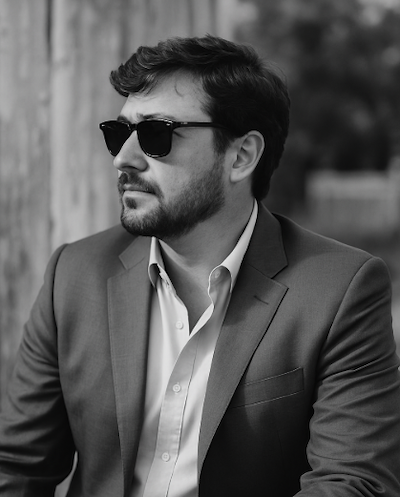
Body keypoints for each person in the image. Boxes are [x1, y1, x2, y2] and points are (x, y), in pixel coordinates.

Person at [0, 35, 399, 497]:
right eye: (118, 133)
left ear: (241, 156)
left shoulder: (339, 290)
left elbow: (354, 483)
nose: (124, 158)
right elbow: (17, 467)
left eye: (156, 134)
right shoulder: (74, 275)